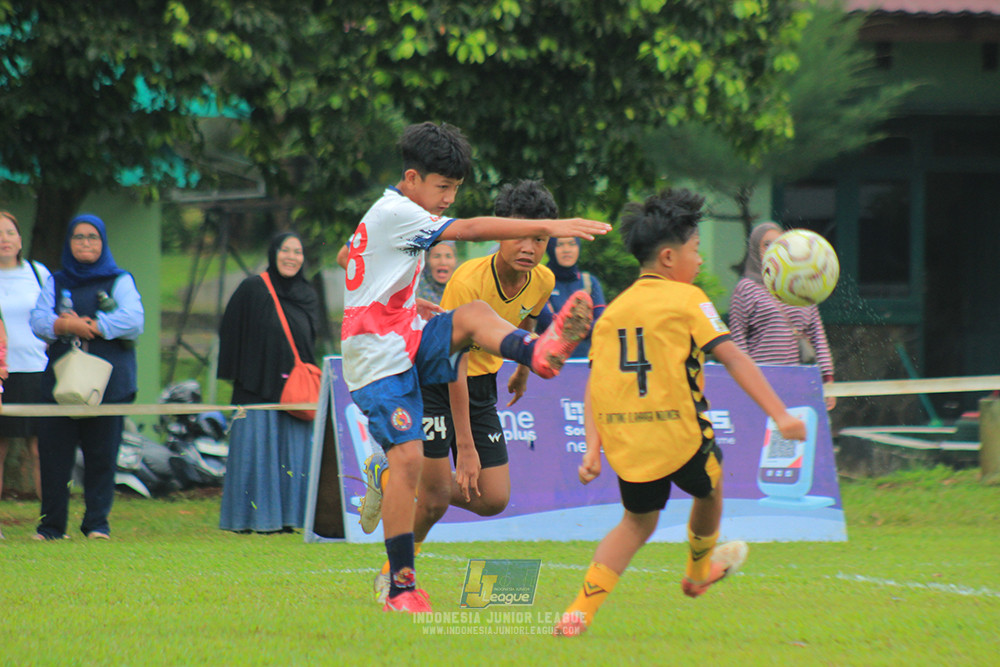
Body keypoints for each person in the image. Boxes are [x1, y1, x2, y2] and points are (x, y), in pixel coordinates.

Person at [342, 121, 609, 613]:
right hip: (377, 357)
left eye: (455, 189)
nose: (448, 199)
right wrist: (551, 227)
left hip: (406, 335)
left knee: (472, 317)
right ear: (412, 178)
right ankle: (400, 587)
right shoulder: (399, 212)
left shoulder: (390, 214)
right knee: (414, 469)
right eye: (443, 187)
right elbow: (466, 230)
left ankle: (535, 353)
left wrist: (401, 300)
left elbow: (348, 254)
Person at [553, 189, 807, 637]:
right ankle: (696, 573)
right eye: (695, 249)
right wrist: (781, 415)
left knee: (635, 523)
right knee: (711, 487)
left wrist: (592, 448)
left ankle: (577, 613)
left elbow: (596, 385)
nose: (701, 260)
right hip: (680, 435)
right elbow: (734, 357)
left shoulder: (612, 313)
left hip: (629, 442)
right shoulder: (689, 300)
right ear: (669, 257)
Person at [371, 179, 557, 604]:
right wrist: (467, 448)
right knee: (435, 501)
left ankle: (395, 476)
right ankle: (393, 574)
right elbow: (452, 361)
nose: (529, 247)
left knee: (493, 498)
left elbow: (527, 318)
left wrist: (522, 370)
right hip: (439, 379)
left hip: (483, 385)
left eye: (539, 239)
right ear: (499, 232)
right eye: (519, 235)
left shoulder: (542, 279)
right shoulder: (468, 280)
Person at [29, 214, 144, 541]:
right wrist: (64, 325)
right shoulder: (56, 281)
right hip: (61, 385)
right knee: (54, 459)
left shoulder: (119, 279)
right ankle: (51, 528)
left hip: (110, 385)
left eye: (92, 237)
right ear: (69, 242)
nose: (85, 243)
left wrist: (94, 326)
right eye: (78, 237)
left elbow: (134, 319)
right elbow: (38, 319)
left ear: (102, 242)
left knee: (101, 456)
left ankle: (97, 525)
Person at [217, 232, 320, 534]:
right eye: (285, 250)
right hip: (256, 387)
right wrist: (248, 372)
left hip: (295, 392)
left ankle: (289, 519)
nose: (291, 257)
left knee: (292, 454)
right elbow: (231, 332)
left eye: (297, 252)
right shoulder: (253, 288)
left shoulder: (307, 294)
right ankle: (250, 520)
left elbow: (310, 342)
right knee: (256, 452)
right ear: (273, 253)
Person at [728, 221, 836, 411]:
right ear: (755, 250)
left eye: (779, 245)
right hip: (761, 384)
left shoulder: (801, 286)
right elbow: (738, 341)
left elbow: (818, 337)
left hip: (798, 382)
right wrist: (746, 382)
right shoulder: (746, 288)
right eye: (766, 245)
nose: (773, 250)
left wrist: (827, 380)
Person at [0, 211, 49, 515]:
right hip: (2, 375)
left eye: (9, 232)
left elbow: (53, 315)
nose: (4, 239)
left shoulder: (38, 273)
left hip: (37, 370)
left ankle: (50, 523)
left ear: (20, 239)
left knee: (41, 448)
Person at [535, 236, 606, 359]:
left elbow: (601, 321)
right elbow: (547, 321)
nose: (567, 250)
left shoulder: (589, 282)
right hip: (548, 360)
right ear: (551, 248)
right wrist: (583, 326)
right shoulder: (540, 281)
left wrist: (569, 326)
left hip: (585, 361)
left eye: (572, 244)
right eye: (560, 245)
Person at [414, 240, 457, 305]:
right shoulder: (413, 292)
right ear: (426, 260)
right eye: (436, 256)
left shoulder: (463, 290)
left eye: (448, 256)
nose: (443, 262)